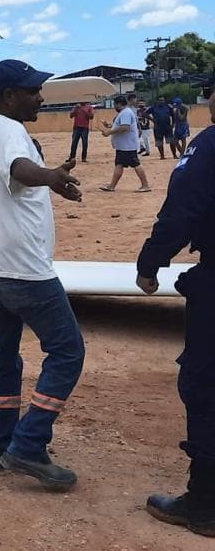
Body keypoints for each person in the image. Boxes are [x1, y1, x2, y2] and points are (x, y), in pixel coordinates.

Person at [0, 59, 85, 491]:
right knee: (67, 350)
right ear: (9, 95)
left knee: (4, 354)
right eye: (33, 91)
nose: (40, 97)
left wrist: (47, 177)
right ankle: (28, 445)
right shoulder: (9, 130)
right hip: (20, 269)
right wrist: (51, 176)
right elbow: (18, 169)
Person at [135, 88, 215, 537]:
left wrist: (151, 262)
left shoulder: (210, 145)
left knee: (205, 387)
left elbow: (183, 209)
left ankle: (205, 506)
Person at [100, 95, 151, 192]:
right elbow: (119, 125)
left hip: (127, 146)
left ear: (119, 104)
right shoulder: (124, 113)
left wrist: (109, 132)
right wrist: (109, 125)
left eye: (115, 104)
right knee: (119, 164)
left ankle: (145, 185)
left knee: (135, 164)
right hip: (123, 146)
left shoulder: (126, 113)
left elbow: (125, 127)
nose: (114, 107)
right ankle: (112, 186)